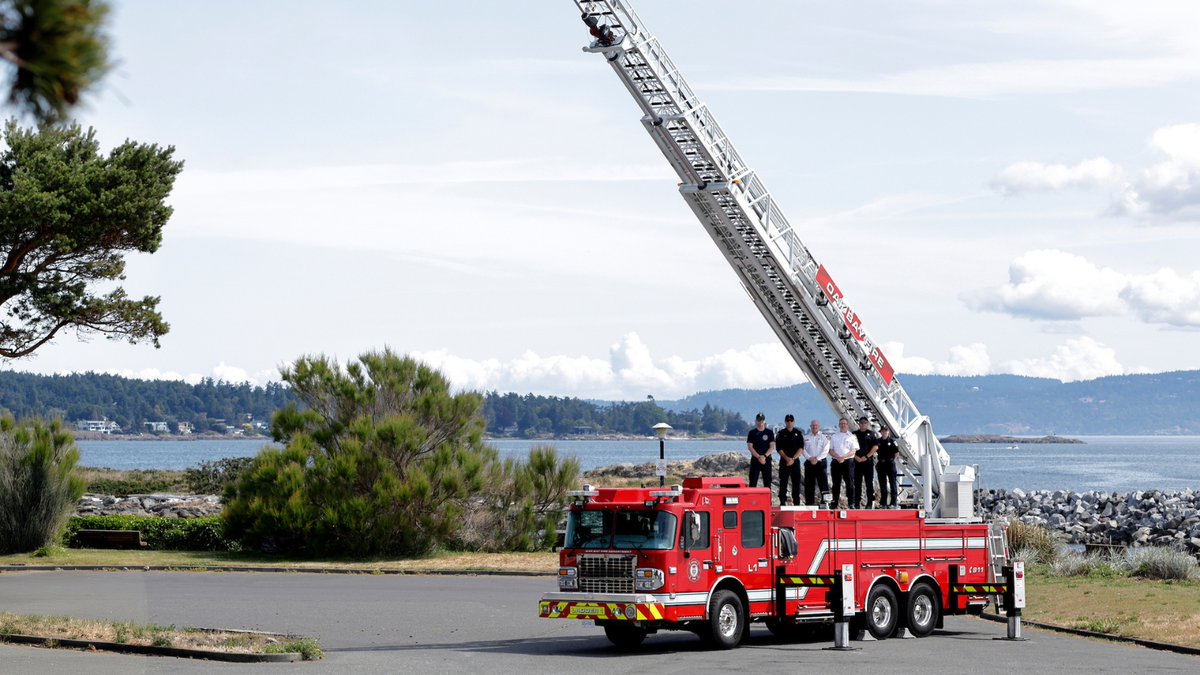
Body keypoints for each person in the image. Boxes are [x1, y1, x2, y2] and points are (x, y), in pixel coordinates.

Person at [828, 417, 858, 508]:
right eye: (841, 423)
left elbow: (853, 450)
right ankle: (834, 502)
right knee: (836, 483)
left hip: (848, 462)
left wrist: (843, 457)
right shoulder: (834, 436)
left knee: (850, 483)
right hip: (836, 462)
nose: (843, 425)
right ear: (839, 425)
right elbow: (830, 450)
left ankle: (851, 503)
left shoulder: (852, 437)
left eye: (844, 423)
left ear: (847, 425)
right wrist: (838, 457)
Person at [775, 414, 804, 505]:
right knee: (783, 481)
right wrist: (787, 459)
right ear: (785, 422)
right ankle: (782, 501)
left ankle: (796, 501)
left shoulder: (798, 433)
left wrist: (793, 458)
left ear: (794, 421)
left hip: (795, 461)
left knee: (796, 482)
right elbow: (779, 448)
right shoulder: (781, 433)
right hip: (784, 461)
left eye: (791, 420)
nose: (789, 422)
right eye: (788, 420)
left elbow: (801, 447)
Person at [801, 419, 830, 506]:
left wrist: (817, 459)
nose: (814, 427)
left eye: (816, 425)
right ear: (810, 427)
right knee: (809, 484)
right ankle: (809, 503)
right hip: (809, 462)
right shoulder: (806, 437)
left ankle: (825, 502)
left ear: (819, 427)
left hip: (821, 462)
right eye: (813, 425)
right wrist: (810, 458)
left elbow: (826, 449)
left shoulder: (824, 437)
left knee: (823, 484)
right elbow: (803, 449)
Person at [853, 416, 880, 508]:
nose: (862, 424)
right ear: (859, 424)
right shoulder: (854, 434)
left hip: (867, 462)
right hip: (856, 462)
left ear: (867, 424)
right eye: (861, 422)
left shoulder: (871, 434)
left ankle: (869, 502)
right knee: (857, 483)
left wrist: (866, 456)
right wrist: (855, 456)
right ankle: (856, 503)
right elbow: (850, 447)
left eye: (864, 422)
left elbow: (875, 447)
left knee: (869, 483)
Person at [745, 412, 774, 489]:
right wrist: (759, 457)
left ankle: (768, 501)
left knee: (767, 483)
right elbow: (750, 447)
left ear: (764, 421)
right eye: (758, 420)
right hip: (755, 460)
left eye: (762, 420)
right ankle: (750, 500)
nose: (760, 422)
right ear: (755, 421)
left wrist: (764, 456)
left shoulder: (769, 432)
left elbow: (772, 446)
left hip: (766, 460)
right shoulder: (752, 433)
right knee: (753, 482)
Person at [876, 426, 900, 508]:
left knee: (893, 483)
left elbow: (897, 453)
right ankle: (883, 503)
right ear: (881, 432)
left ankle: (893, 502)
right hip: (881, 464)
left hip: (890, 463)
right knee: (882, 484)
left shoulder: (892, 441)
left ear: (888, 432)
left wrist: (893, 460)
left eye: (885, 431)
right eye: (882, 431)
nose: (884, 432)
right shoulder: (878, 441)